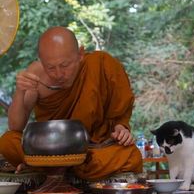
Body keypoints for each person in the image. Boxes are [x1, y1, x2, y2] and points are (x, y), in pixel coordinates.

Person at [0, 26, 142, 181]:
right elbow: (15, 127)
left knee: (131, 155)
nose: (59, 74)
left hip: (91, 149)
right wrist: (20, 91)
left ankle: (46, 170)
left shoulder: (100, 64)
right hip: (49, 149)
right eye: (50, 68)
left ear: (80, 54)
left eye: (65, 65)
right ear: (41, 62)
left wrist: (121, 128)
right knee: (7, 142)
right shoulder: (35, 74)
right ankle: (60, 169)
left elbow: (119, 116)